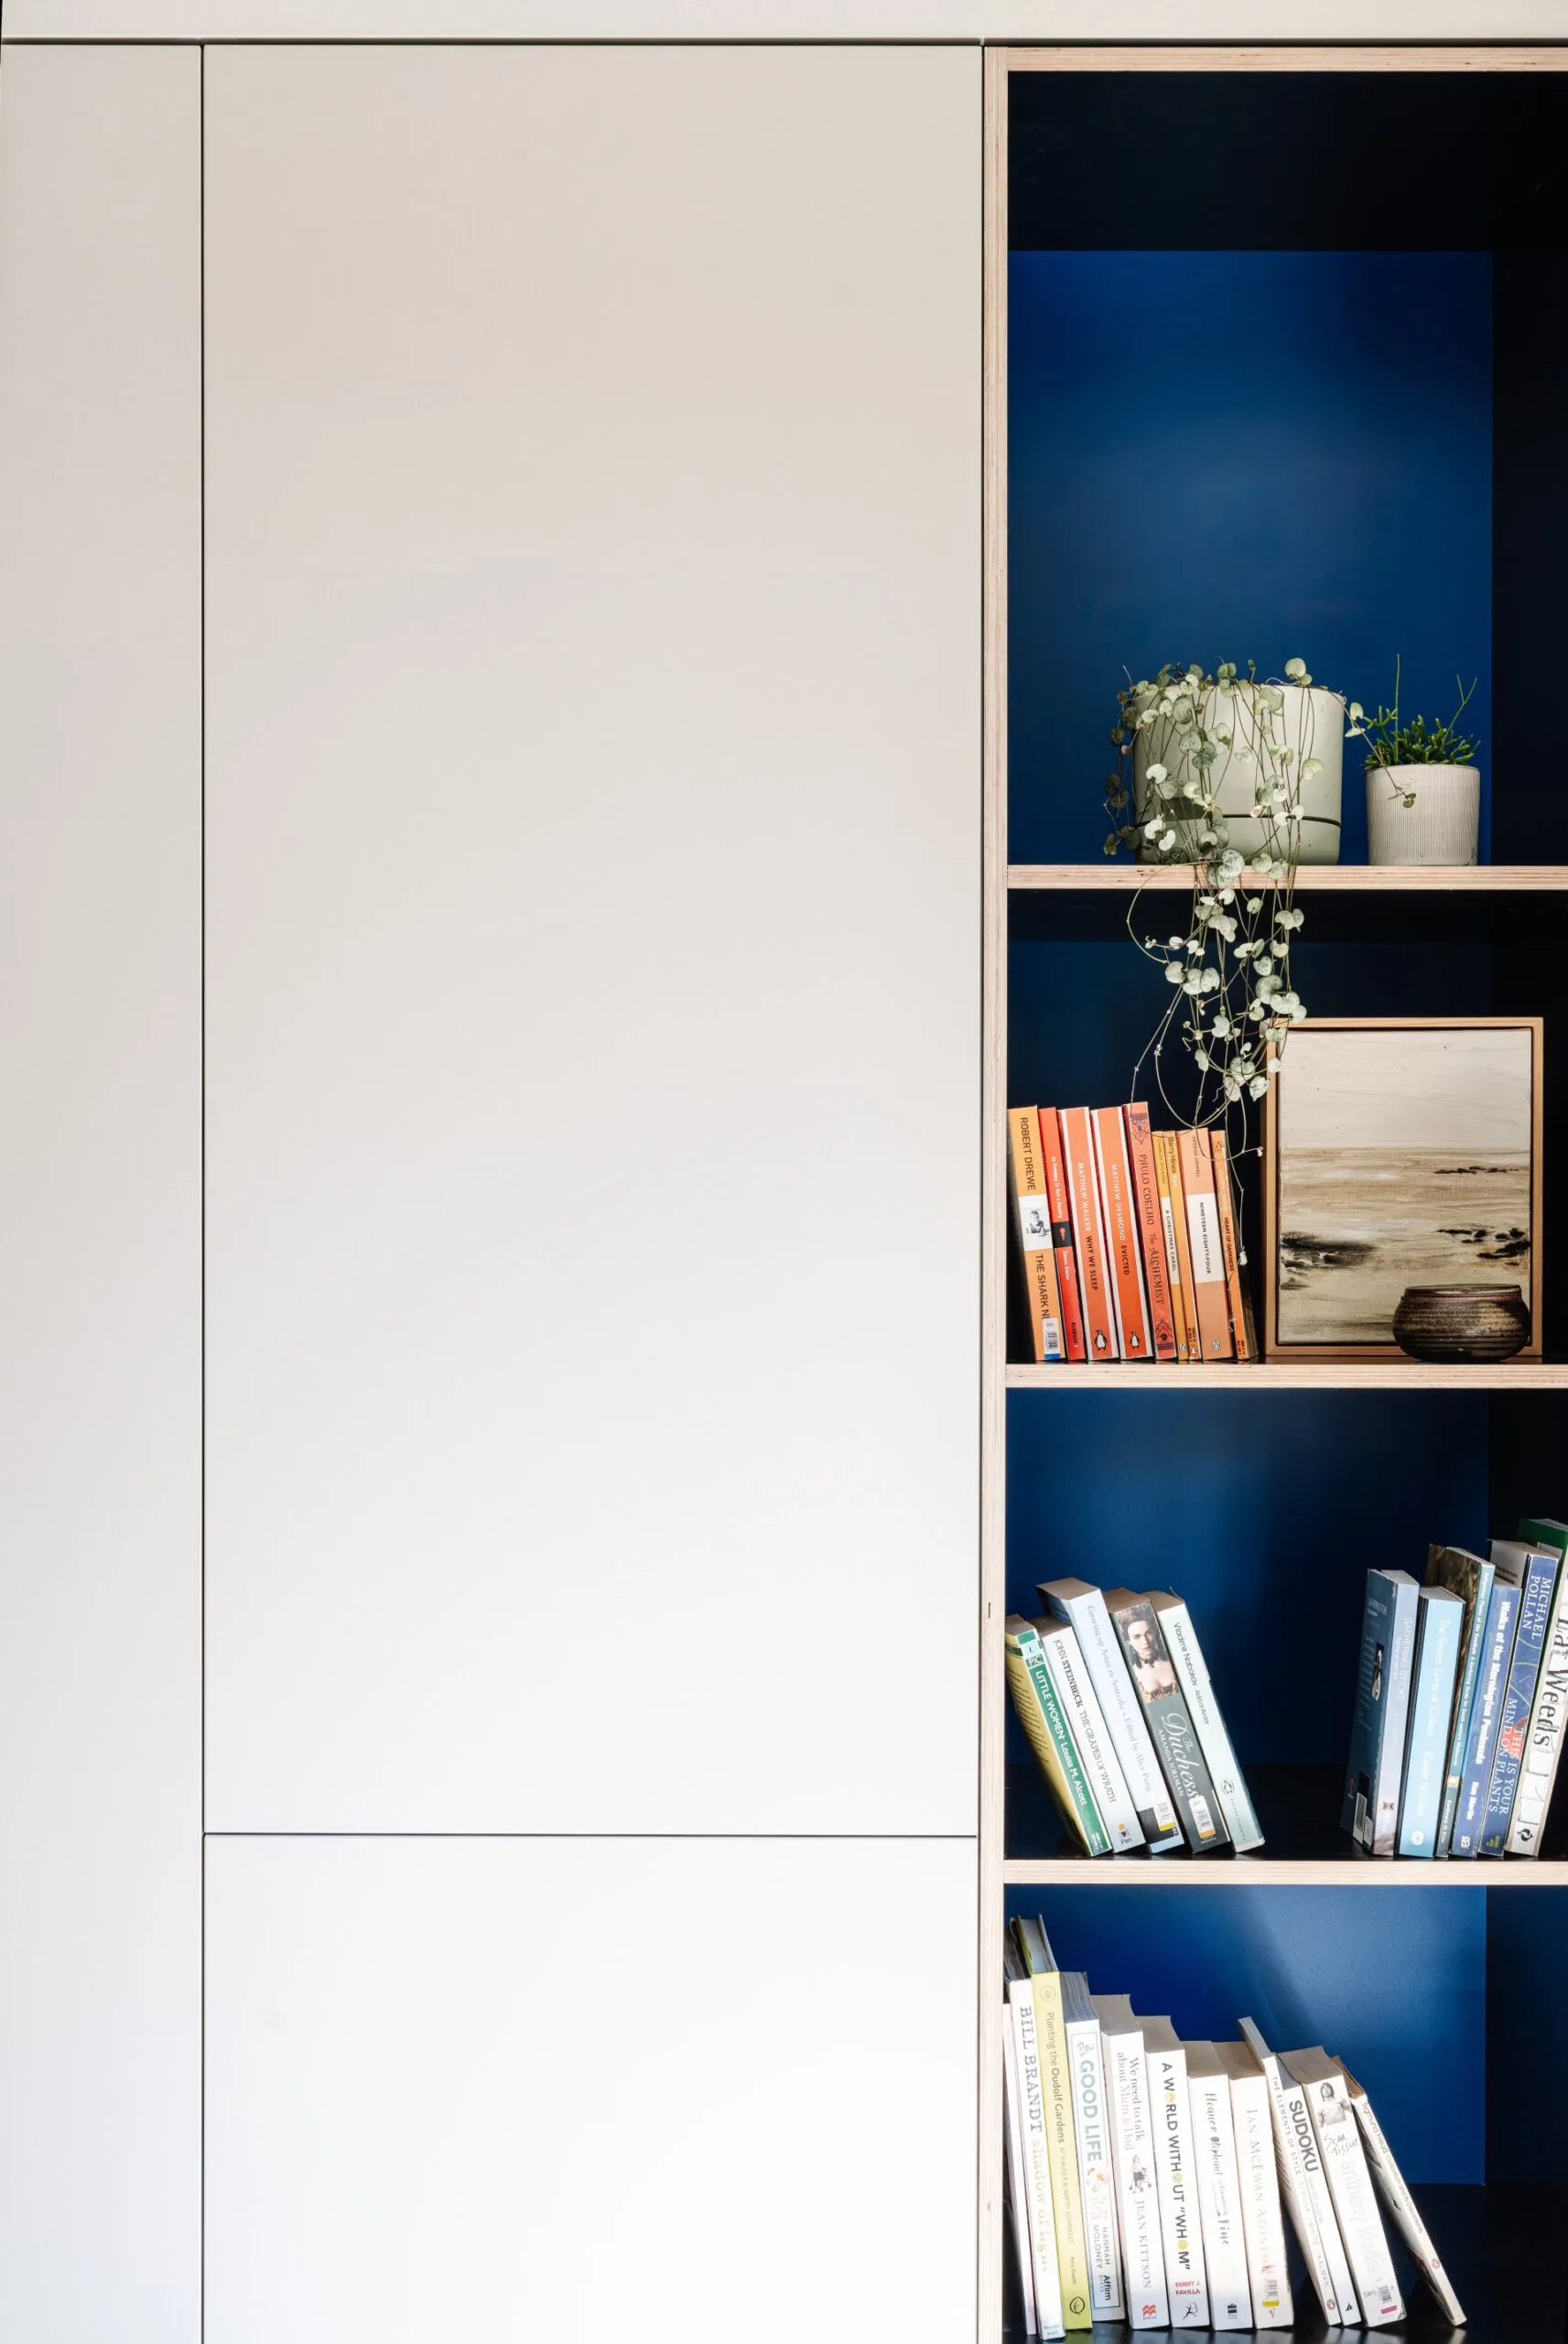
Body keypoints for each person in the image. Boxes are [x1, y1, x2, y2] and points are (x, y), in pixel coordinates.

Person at [1124, 1609, 1176, 1702]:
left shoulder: (1174, 1660)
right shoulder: (1132, 1674)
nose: (1145, 1641)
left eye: (1149, 1633)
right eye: (1137, 1637)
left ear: (1155, 1633)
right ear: (1129, 1641)